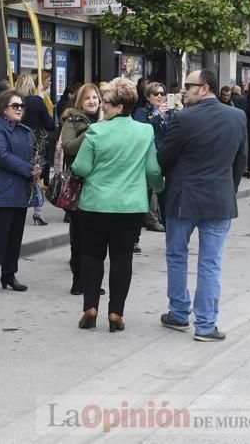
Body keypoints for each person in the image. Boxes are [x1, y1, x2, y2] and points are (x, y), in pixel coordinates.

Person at [158, 69, 247, 342]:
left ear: (204, 87)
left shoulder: (183, 118)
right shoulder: (237, 116)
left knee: (177, 256)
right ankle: (206, 325)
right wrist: (228, 189)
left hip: (184, 199)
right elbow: (240, 160)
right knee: (211, 263)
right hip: (219, 199)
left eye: (188, 86)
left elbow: (164, 159)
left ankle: (180, 313)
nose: (183, 90)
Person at [71, 78, 163, 333]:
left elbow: (81, 167)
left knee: (92, 256)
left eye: (108, 104)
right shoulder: (145, 132)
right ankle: (116, 313)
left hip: (96, 204)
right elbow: (153, 170)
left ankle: (90, 308)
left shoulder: (96, 131)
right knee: (122, 258)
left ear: (120, 107)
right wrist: (160, 187)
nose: (104, 108)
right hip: (130, 206)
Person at [0, 90, 36, 296]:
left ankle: (9, 274)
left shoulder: (24, 131)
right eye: (15, 106)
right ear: (4, 108)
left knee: (15, 236)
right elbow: (1, 155)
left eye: (21, 106)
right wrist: (28, 169)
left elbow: (30, 155)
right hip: (4, 189)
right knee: (0, 235)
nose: (20, 109)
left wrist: (36, 167)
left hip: (21, 189)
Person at [59, 83, 102, 296]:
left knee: (97, 238)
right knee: (79, 237)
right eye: (88, 98)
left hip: (101, 185)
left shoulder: (106, 119)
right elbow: (67, 147)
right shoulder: (73, 120)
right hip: (79, 185)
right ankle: (78, 281)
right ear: (80, 102)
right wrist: (89, 133)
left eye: (95, 97)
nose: (92, 101)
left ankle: (93, 281)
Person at [132, 81, 171, 232]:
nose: (160, 96)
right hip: (148, 157)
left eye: (162, 93)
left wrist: (180, 113)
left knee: (164, 191)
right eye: (156, 93)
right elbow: (142, 130)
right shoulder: (142, 112)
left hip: (164, 156)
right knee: (150, 190)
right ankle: (150, 221)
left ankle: (165, 221)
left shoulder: (170, 112)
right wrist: (157, 115)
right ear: (148, 97)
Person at [15, 73, 54, 225]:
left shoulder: (14, 102)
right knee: (36, 177)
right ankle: (38, 210)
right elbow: (49, 123)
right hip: (35, 141)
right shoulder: (37, 101)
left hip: (17, 142)